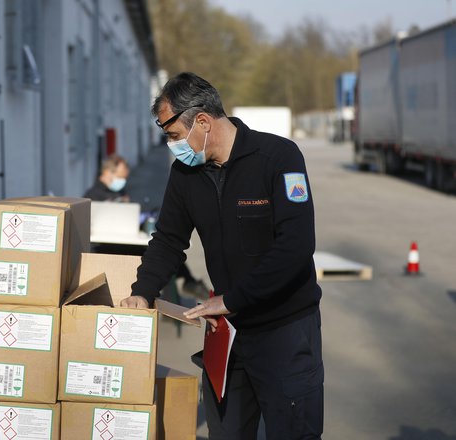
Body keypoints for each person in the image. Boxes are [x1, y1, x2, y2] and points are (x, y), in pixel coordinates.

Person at [120, 72, 323, 439]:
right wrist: (143, 291)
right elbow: (168, 239)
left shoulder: (277, 157)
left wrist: (232, 300)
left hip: (285, 331)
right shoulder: (185, 173)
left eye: (174, 136)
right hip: (229, 337)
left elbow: (295, 248)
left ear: (202, 122)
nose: (172, 146)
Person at [85, 154, 210, 299]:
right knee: (160, 251)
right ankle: (188, 283)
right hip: (106, 247)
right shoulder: (93, 195)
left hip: (126, 241)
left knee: (164, 250)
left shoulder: (118, 192)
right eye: (121, 177)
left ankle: (187, 282)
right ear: (108, 173)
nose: (123, 181)